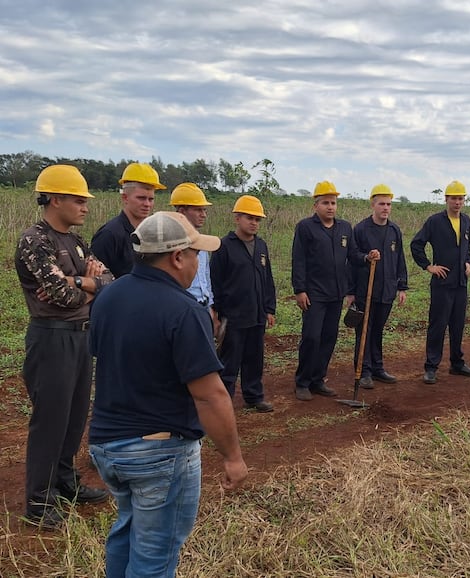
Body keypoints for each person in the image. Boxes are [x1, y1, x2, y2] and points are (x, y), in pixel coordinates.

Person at [88, 211, 248, 577]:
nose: (197, 262)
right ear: (177, 257)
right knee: (155, 557)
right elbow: (210, 396)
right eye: (195, 254)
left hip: (108, 447)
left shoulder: (108, 298)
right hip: (159, 452)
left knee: (126, 536)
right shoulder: (183, 310)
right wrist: (233, 458)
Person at [15, 165, 113, 529]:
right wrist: (87, 283)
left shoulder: (73, 240)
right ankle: (39, 502)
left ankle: (66, 484)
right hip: (51, 337)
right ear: (54, 199)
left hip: (80, 336)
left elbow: (108, 281)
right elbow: (60, 296)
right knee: (50, 422)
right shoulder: (35, 240)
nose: (85, 207)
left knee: (73, 419)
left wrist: (83, 282)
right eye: (77, 200)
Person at [292, 181, 379, 401]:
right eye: (325, 203)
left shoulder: (344, 228)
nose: (330, 207)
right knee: (311, 337)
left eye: (333, 203)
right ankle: (302, 382)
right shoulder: (305, 227)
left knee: (329, 337)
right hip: (314, 294)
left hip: (336, 294)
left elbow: (353, 255)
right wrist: (300, 290)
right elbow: (298, 260)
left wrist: (366, 258)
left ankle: (318, 379)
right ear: (316, 205)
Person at [210, 195, 276, 411]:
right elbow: (216, 281)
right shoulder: (224, 246)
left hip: (256, 314)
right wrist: (217, 313)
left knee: (254, 359)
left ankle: (254, 396)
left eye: (257, 219)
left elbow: (268, 279)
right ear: (237, 218)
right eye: (250, 218)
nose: (254, 223)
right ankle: (224, 401)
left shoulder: (262, 246)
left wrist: (269, 309)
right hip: (234, 315)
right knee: (230, 360)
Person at [411, 180, 470, 384]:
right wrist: (428, 266)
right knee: (438, 325)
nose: (457, 202)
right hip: (442, 283)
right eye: (454, 199)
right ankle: (431, 367)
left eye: (460, 199)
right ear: (446, 199)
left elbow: (468, 247)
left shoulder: (466, 221)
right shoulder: (435, 221)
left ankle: (457, 363)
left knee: (458, 325)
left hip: (460, 283)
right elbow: (416, 244)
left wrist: (468, 262)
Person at [349, 184, 409, 388]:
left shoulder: (394, 230)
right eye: (381, 204)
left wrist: (402, 286)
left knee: (378, 330)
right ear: (373, 205)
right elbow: (352, 258)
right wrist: (367, 257)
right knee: (364, 330)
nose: (385, 208)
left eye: (389, 204)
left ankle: (377, 368)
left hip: (388, 290)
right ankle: (363, 371)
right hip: (366, 290)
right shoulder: (361, 229)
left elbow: (400, 258)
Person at [91, 162, 165, 278]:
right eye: (141, 198)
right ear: (125, 198)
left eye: (151, 199)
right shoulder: (109, 235)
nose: (147, 204)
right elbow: (96, 281)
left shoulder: (152, 233)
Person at [170, 182, 214, 312]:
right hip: (183, 308)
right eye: (198, 209)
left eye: (204, 210)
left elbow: (206, 276)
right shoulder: (169, 243)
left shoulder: (201, 241)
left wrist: (210, 306)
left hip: (203, 306)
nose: (203, 215)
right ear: (182, 211)